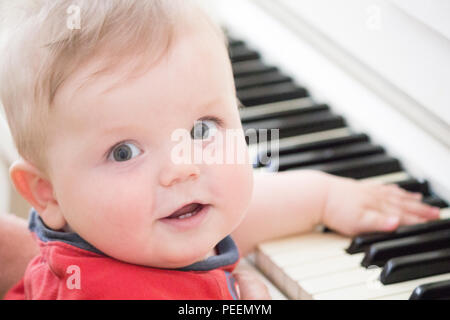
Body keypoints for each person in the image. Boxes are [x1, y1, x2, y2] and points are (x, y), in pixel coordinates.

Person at [0, 0, 440, 300]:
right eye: (124, 152)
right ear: (48, 193)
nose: (184, 168)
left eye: (202, 128)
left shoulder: (121, 229)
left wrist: (322, 196)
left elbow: (237, 214)